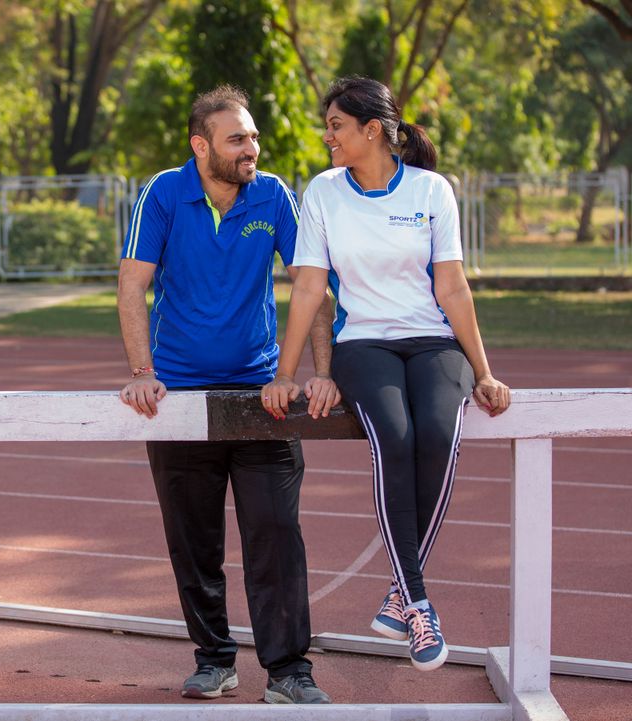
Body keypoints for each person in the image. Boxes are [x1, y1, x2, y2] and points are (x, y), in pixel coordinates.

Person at [261, 76, 511, 673]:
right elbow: (310, 289)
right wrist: (284, 373)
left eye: (337, 127)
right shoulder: (322, 192)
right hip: (364, 343)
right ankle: (418, 602)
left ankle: (400, 591)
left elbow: (451, 286)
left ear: (372, 130)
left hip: (434, 344)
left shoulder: (432, 190)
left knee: (439, 433)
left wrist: (485, 371)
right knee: (395, 437)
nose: (328, 137)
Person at [117, 85, 338, 705]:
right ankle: (214, 659)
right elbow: (133, 286)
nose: (252, 148)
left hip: (260, 400)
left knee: (274, 534)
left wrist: (315, 371)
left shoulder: (273, 194)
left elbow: (310, 284)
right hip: (181, 401)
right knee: (194, 542)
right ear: (201, 145)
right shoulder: (162, 193)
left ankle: (290, 672)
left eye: (254, 137)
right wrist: (142, 370)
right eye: (238, 138)